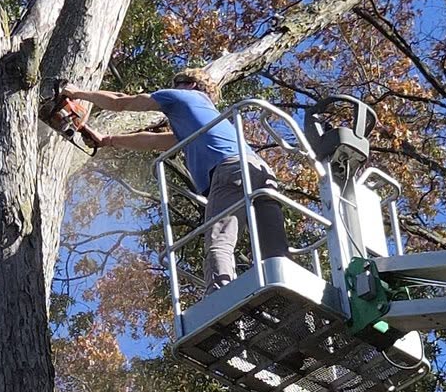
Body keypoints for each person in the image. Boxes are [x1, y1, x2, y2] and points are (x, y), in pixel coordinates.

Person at [61, 84, 290, 293]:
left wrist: (74, 92)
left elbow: (121, 101)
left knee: (219, 240)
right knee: (274, 251)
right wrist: (107, 139)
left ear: (189, 84)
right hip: (261, 171)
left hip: (230, 170)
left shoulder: (182, 96)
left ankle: (221, 294)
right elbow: (152, 141)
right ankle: (285, 293)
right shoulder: (203, 124)